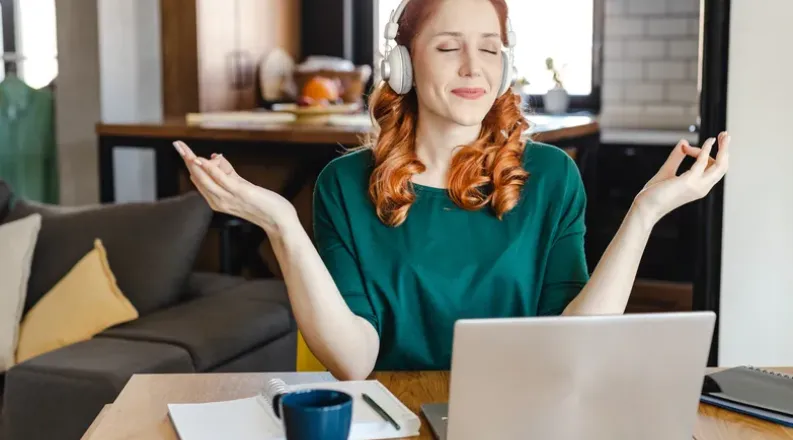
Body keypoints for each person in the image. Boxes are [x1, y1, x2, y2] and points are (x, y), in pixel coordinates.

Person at [173, 0, 729, 381]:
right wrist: (281, 225)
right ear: (403, 62)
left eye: (489, 48)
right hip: (396, 417)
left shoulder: (552, 177)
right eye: (447, 47)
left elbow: (574, 345)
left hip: (524, 418)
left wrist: (644, 213)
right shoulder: (344, 185)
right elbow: (354, 360)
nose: (473, 67)